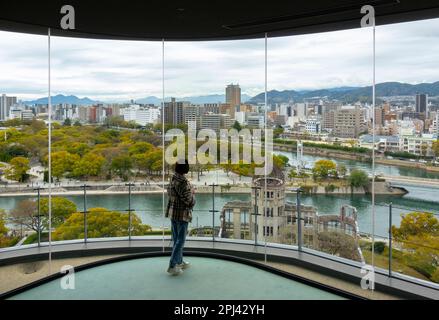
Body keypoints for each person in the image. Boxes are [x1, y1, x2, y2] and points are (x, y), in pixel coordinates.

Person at [166, 159, 195, 276]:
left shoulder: (172, 179)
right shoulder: (183, 182)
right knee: (180, 241)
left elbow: (169, 193)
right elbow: (190, 201)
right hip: (182, 214)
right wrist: (193, 193)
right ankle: (172, 265)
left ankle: (179, 261)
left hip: (173, 212)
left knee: (176, 239)